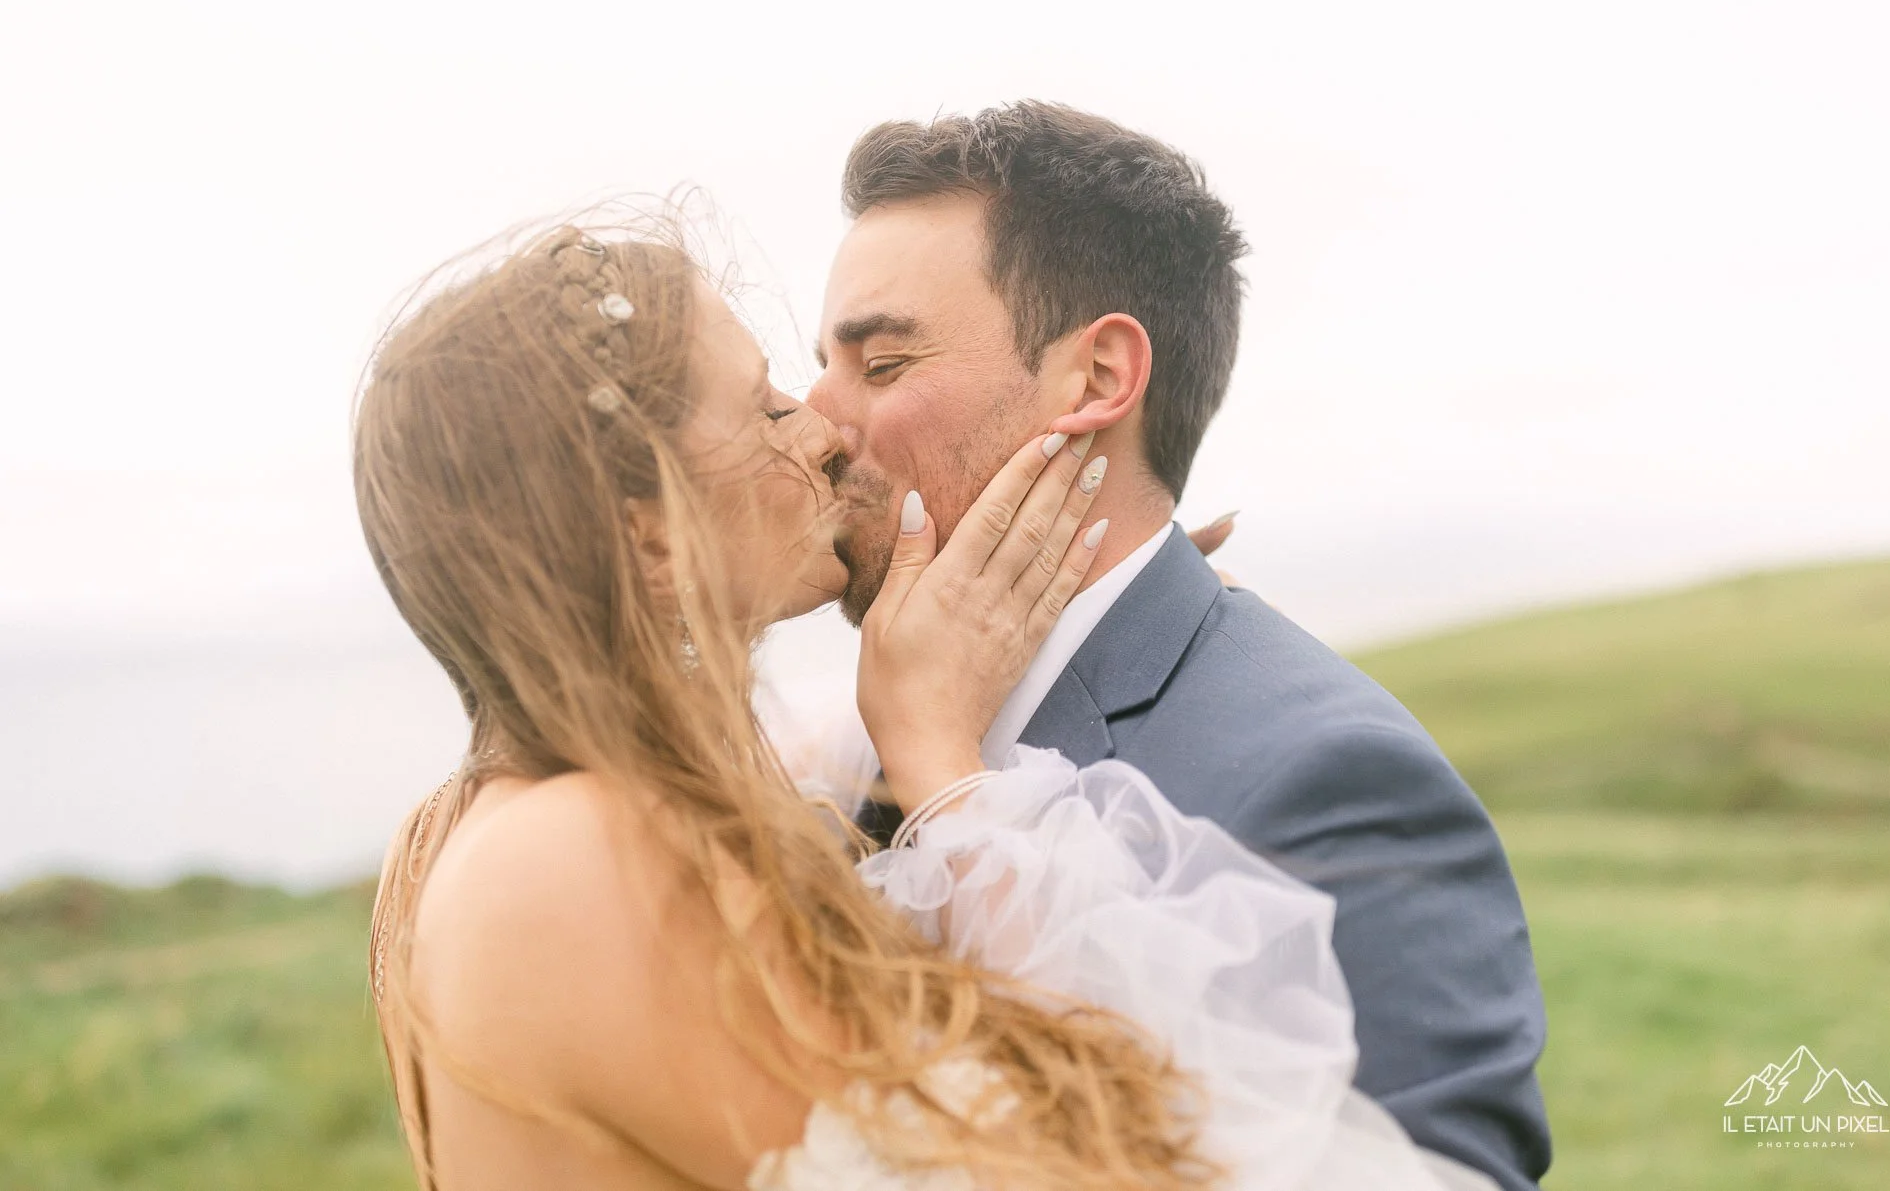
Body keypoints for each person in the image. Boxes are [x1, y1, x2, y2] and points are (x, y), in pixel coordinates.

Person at [356, 221, 1491, 1189]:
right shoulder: (577, 857)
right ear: (651, 538)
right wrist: (943, 757)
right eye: (765, 409)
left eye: (881, 366)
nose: (820, 429)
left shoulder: (565, 811)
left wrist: (1091, 607)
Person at [800, 102, 1552, 1191]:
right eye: (822, 367)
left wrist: (946, 780)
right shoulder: (845, 748)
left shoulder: (1328, 781)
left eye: (880, 364)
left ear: (1101, 377)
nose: (815, 425)